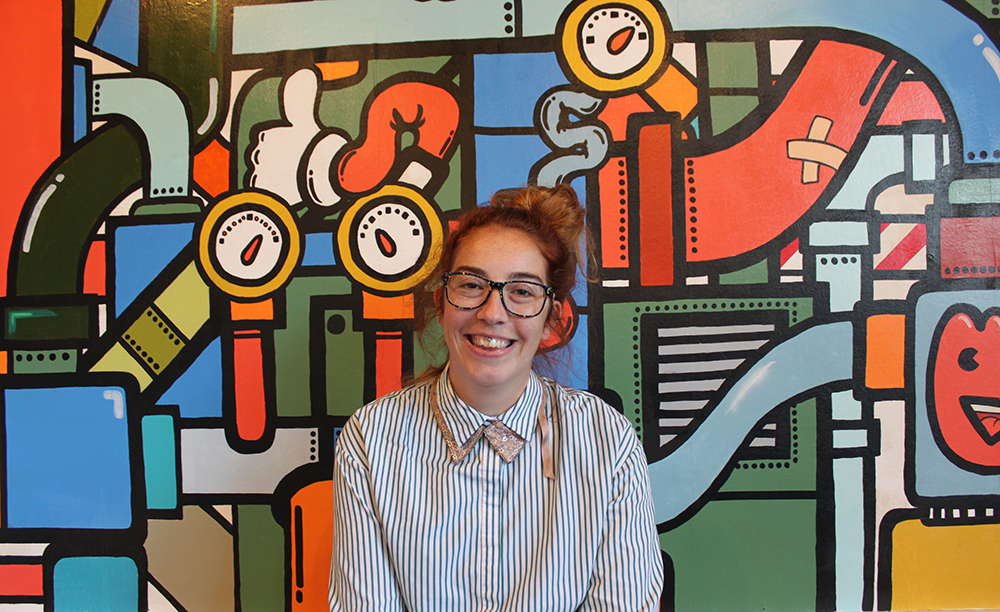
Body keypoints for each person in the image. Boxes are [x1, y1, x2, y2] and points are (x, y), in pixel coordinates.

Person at [329, 184, 663, 611]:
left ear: (552, 319)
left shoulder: (606, 441)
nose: (492, 312)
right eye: (471, 285)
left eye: (522, 291)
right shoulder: (371, 440)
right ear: (442, 302)